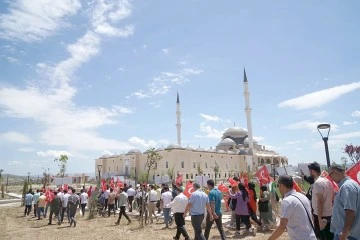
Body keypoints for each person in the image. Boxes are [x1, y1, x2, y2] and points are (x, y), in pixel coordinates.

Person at [267, 175, 316, 240]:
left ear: (282, 186)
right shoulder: (303, 196)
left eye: (278, 186)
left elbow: (282, 226)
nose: (278, 188)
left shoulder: (287, 201)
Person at [328, 164, 360, 240]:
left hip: (348, 235)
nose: (331, 178)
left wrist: (344, 233)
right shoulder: (350, 184)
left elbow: (350, 211)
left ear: (335, 172)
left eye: (330, 175)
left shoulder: (347, 186)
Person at [308, 162, 334, 239]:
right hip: (329, 214)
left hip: (321, 216)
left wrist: (319, 219)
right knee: (329, 237)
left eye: (309, 171)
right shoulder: (328, 181)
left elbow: (320, 201)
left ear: (312, 171)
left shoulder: (317, 183)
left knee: (321, 237)